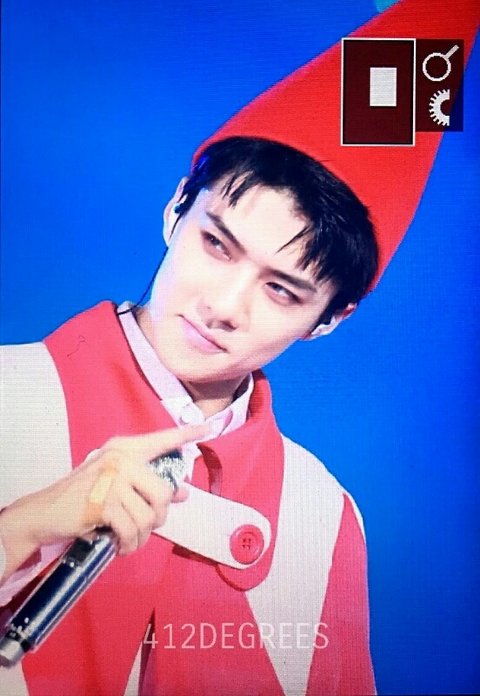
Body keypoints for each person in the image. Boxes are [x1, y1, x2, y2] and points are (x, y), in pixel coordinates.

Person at [1, 1, 476, 694]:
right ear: (176, 208)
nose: (223, 307)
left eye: (281, 290)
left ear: (330, 319)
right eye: (216, 244)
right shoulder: (9, 396)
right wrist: (18, 530)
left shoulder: (322, 516)